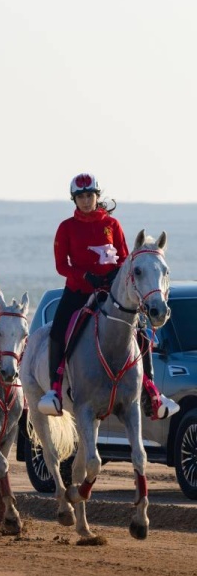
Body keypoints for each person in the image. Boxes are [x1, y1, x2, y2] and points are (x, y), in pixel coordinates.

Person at [38, 173, 180, 420]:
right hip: (78, 291)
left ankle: (152, 391)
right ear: (74, 199)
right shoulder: (66, 227)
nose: (85, 201)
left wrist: (113, 276)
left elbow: (126, 259)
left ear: (97, 197)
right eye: (80, 197)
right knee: (58, 331)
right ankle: (54, 390)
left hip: (110, 291)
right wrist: (85, 277)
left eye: (89, 196)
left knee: (139, 332)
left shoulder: (112, 225)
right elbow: (62, 265)